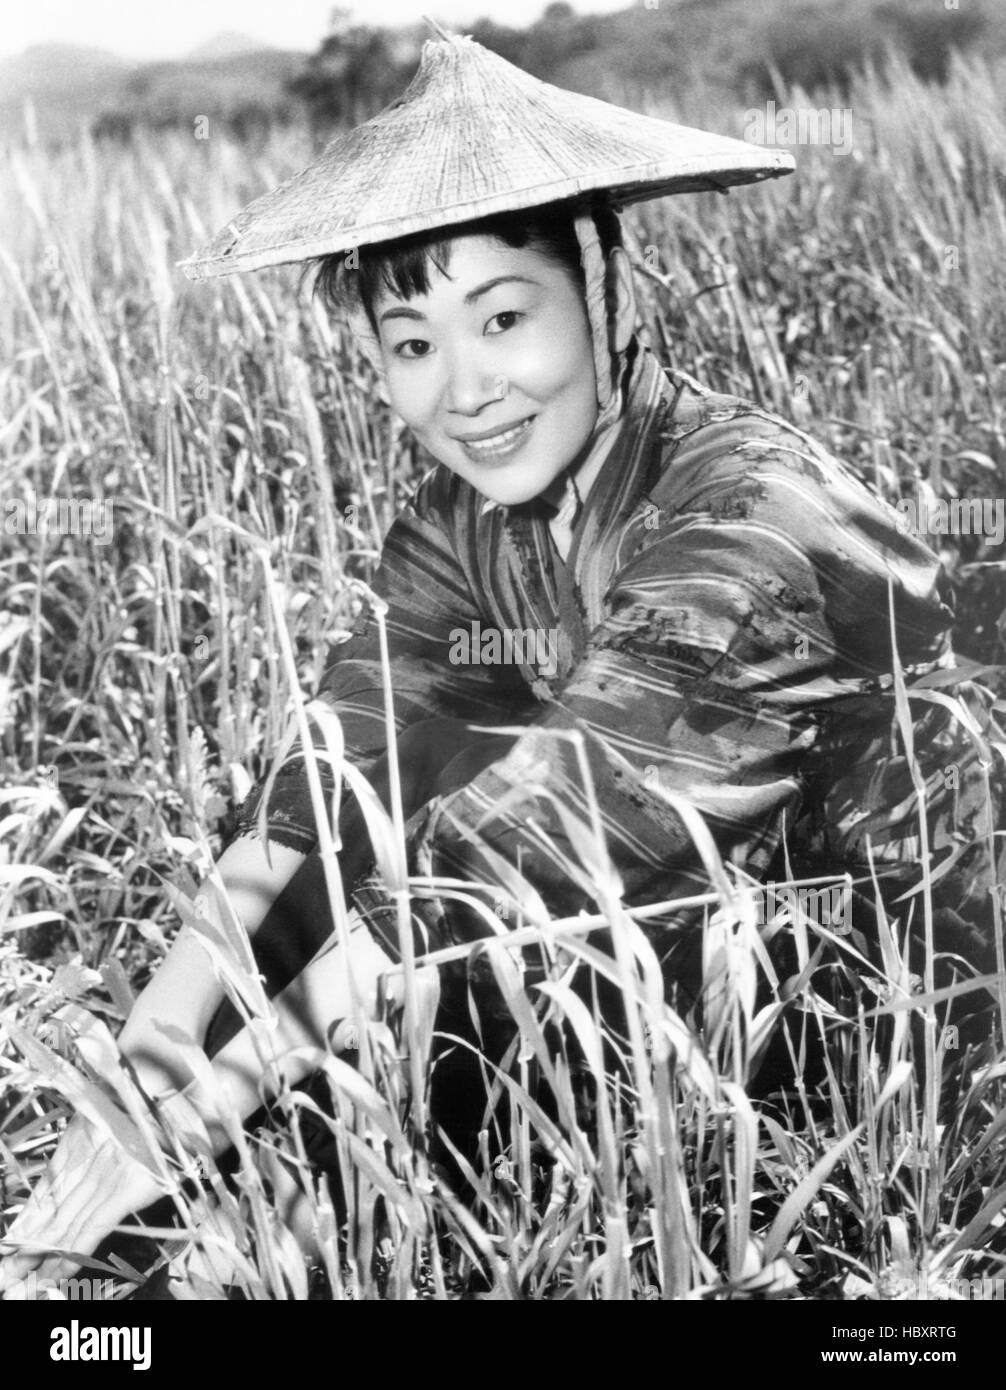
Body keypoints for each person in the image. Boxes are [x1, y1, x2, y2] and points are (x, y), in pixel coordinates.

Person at [1, 32, 1002, 1299]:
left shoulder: (747, 511)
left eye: (505, 319)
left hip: (880, 990)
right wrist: (167, 1021)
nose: (465, 391)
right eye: (412, 342)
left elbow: (551, 830)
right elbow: (345, 746)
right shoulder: (467, 516)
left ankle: (223, 1243)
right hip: (660, 932)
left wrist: (218, 1103)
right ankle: (136, 1251)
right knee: (315, 904)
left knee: (373, 1030)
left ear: (607, 296)